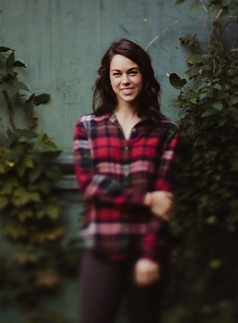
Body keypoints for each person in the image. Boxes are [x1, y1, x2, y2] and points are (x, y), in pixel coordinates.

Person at [73, 38, 179, 323]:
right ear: (108, 80)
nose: (125, 81)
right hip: (102, 248)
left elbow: (165, 198)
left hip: (146, 249)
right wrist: (145, 199)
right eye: (117, 74)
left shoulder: (166, 130)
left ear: (144, 75)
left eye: (132, 72)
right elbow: (90, 185)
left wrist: (149, 255)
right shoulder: (87, 127)